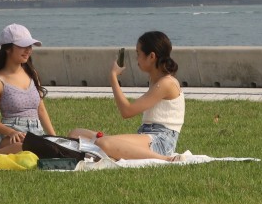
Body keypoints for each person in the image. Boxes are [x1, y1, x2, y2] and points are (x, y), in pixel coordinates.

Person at [69, 31, 185, 161]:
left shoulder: (166, 83)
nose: (137, 59)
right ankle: (113, 152)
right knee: (76, 134)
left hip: (161, 141)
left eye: (138, 54)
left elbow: (127, 111)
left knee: (103, 143)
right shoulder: (156, 79)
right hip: (146, 135)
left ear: (151, 56)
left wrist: (113, 77)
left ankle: (166, 159)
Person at [0, 23, 56, 154]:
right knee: (26, 148)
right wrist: (12, 132)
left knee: (52, 148)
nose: (28, 50)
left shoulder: (32, 74)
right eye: (22, 46)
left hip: (37, 133)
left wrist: (54, 137)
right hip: (12, 137)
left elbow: (41, 109)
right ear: (8, 49)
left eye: (29, 46)